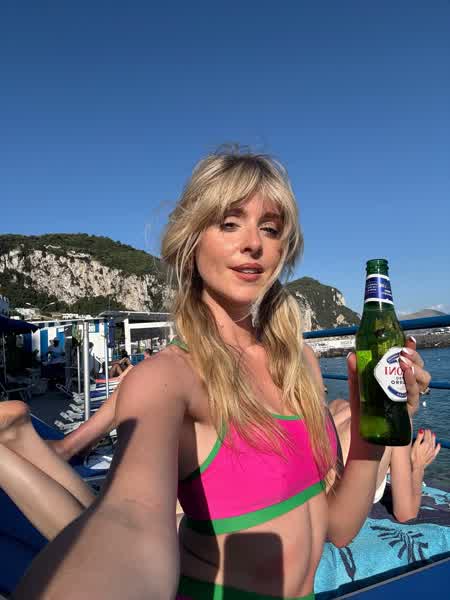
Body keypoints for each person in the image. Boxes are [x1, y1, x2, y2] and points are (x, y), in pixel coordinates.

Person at [13, 149, 430, 599]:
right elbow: (128, 516)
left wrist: (377, 421)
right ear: (192, 241)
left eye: (270, 229)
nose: (254, 243)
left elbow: (339, 527)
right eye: (230, 223)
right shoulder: (170, 377)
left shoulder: (301, 365)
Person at [328, 397, 441, 521]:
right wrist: (418, 466)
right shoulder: (397, 419)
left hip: (314, 500)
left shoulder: (337, 405)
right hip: (336, 512)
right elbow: (405, 513)